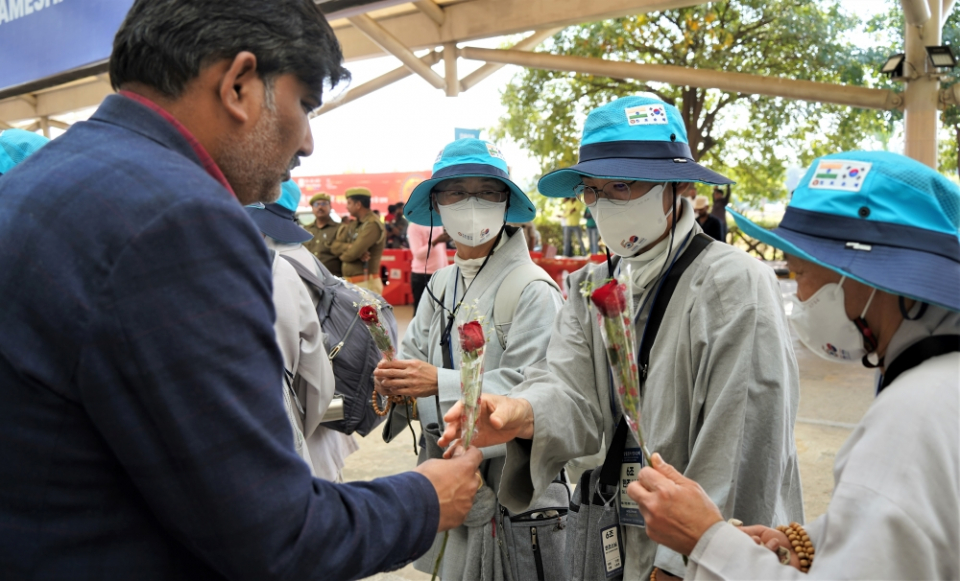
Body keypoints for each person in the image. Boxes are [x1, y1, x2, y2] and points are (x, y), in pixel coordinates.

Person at [0, 1, 483, 579]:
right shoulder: (180, 221)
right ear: (238, 84)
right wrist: (424, 501)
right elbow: (274, 536)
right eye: (304, 106)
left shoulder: (38, 183)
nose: (307, 143)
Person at [438, 96, 804, 580]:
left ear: (681, 187)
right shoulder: (591, 286)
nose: (602, 204)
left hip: (707, 547)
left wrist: (693, 556)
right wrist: (520, 413)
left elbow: (742, 442)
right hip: (614, 521)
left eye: (622, 186)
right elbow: (570, 392)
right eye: (592, 190)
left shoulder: (732, 283)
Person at [629, 150, 960, 580]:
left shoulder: (911, 419)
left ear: (862, 273)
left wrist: (706, 539)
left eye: (800, 273)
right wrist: (810, 542)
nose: (798, 298)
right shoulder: (936, 385)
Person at [375, 138, 564, 580]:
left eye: (486, 192)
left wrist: (434, 383)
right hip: (450, 477)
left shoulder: (533, 289)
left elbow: (535, 391)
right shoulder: (440, 283)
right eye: (456, 193)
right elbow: (415, 359)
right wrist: (395, 384)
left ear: (506, 203)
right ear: (438, 205)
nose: (471, 205)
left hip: (510, 487)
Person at [246, 181, 359, 482]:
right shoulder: (304, 258)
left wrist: (296, 426)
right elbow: (319, 383)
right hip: (317, 434)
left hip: (288, 443)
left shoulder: (277, 266)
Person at [329, 186, 386, 293]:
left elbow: (352, 254)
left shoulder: (372, 225)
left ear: (358, 204)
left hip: (366, 282)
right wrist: (350, 247)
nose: (347, 207)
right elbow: (334, 247)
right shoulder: (354, 224)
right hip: (351, 283)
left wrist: (345, 254)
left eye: (349, 203)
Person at [408, 222, 450, 315]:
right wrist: (435, 242)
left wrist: (446, 269)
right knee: (420, 312)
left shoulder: (437, 223)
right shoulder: (415, 226)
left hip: (439, 274)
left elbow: (442, 251)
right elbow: (418, 254)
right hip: (421, 274)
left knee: (438, 311)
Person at [302, 191, 342, 276]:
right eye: (316, 204)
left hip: (333, 279)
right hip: (310, 276)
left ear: (330, 207)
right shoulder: (306, 230)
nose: (320, 207)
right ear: (312, 208)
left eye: (324, 204)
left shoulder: (340, 229)